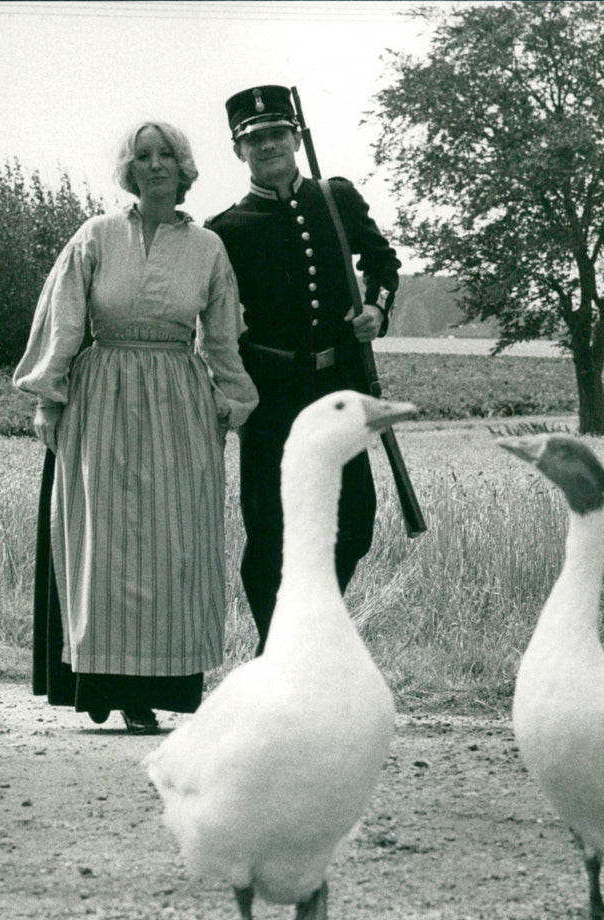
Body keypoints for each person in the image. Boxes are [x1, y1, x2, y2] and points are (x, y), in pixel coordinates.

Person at [14, 121, 258, 733]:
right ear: (130, 168)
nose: (155, 166)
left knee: (173, 542)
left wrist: (231, 403)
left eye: (167, 155)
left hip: (178, 398)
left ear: (184, 168)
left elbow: (223, 337)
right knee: (106, 539)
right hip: (102, 397)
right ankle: (102, 684)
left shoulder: (207, 247)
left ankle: (162, 685)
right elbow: (64, 319)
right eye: (143, 156)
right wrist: (48, 397)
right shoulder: (96, 235)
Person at [206, 84, 401, 654]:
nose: (269, 146)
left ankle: (316, 634)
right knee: (270, 530)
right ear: (239, 150)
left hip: (337, 387)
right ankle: (277, 655)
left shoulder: (335, 198)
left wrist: (375, 308)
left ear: (295, 137)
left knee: (355, 521)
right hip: (270, 397)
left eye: (277, 134)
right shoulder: (226, 230)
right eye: (255, 139)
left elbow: (383, 263)